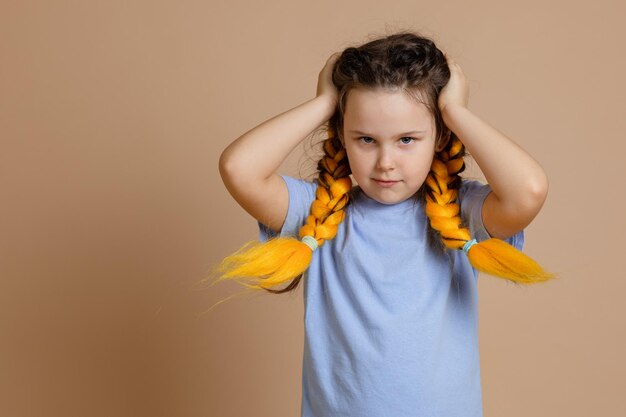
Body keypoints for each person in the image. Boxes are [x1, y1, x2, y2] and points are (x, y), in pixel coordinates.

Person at [213, 31, 554, 417]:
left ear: (440, 136)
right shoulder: (317, 212)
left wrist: (456, 112)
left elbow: (528, 190)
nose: (386, 161)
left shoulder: (462, 212)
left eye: (407, 139)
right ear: (341, 135)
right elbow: (238, 168)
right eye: (366, 139)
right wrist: (325, 103)